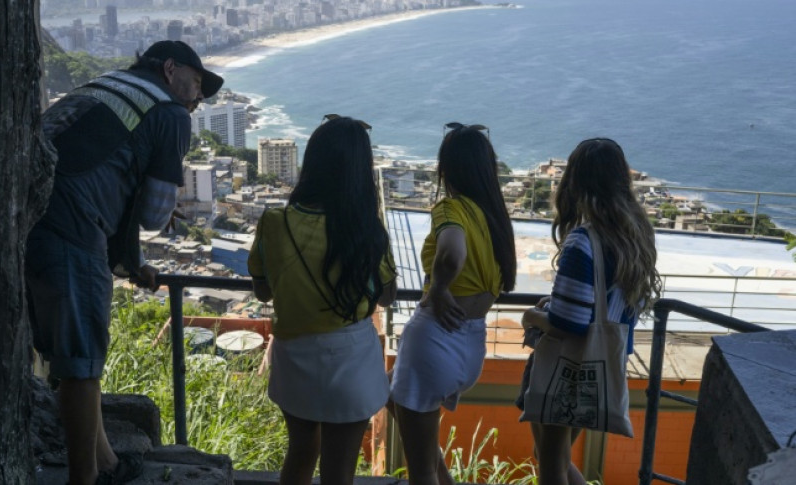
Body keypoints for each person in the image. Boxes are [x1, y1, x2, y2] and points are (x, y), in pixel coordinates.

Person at [25, 40, 223, 485]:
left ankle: (106, 464)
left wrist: (127, 262)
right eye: (195, 84)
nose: (196, 100)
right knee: (80, 362)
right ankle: (84, 479)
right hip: (70, 230)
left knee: (72, 355)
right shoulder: (168, 112)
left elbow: (101, 173)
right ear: (170, 69)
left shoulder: (100, 88)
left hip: (27, 219)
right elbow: (152, 213)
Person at [247, 115, 398, 485]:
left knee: (299, 453)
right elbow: (387, 296)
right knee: (339, 472)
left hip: (294, 354)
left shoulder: (274, 223)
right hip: (352, 356)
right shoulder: (367, 229)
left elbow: (263, 290)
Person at [518, 138, 661, 485]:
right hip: (601, 367)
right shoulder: (636, 235)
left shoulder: (584, 241)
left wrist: (531, 317)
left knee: (551, 464)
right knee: (554, 456)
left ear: (576, 183)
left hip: (568, 367)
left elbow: (568, 324)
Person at [389, 123, 517, 485]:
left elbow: (450, 254)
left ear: (448, 169)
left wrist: (439, 288)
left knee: (419, 471)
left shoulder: (451, 209)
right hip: (470, 345)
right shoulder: (495, 218)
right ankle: (446, 478)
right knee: (390, 392)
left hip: (433, 338)